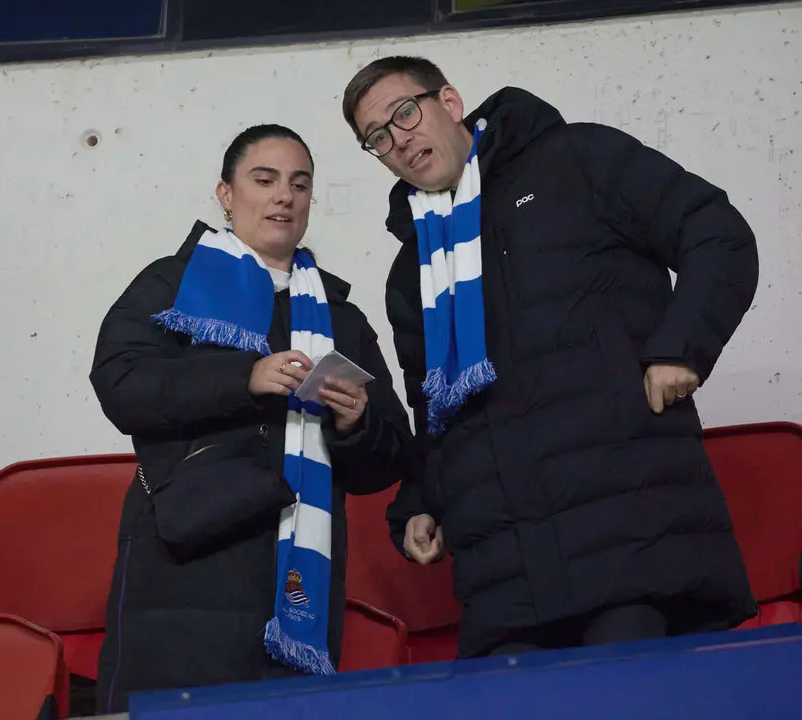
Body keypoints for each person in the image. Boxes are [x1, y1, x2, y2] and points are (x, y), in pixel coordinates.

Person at [340, 55, 759, 658]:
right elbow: (434, 410)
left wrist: (681, 349)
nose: (398, 139)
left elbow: (717, 234)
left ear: (450, 103)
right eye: (377, 137)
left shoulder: (578, 160)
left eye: (404, 113)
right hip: (504, 574)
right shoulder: (412, 272)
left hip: (628, 536)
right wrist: (420, 502)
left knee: (626, 696)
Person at [89, 124, 414, 712]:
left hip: (294, 575)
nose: (284, 196)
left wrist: (355, 423)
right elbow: (121, 384)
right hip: (183, 565)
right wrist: (244, 378)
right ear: (226, 194)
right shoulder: (172, 283)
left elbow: (389, 455)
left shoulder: (339, 317)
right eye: (264, 180)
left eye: (299, 184)